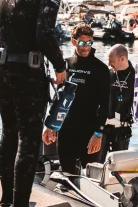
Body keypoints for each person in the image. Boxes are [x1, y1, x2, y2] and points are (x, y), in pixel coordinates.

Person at [0, 0, 70, 207]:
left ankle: (6, 202)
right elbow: (44, 35)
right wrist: (60, 67)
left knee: (8, 132)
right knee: (28, 137)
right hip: (26, 72)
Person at [42, 23, 110, 176]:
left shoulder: (100, 69)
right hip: (66, 130)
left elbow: (106, 104)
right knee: (67, 175)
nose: (86, 47)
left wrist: (98, 134)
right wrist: (50, 125)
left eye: (89, 43)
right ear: (73, 41)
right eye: (82, 43)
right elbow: (58, 98)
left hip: (89, 131)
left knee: (92, 178)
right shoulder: (65, 64)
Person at [103, 44, 138, 155]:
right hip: (103, 127)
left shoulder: (137, 79)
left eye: (112, 61)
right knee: (97, 163)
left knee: (117, 164)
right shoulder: (107, 74)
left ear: (122, 59)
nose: (109, 64)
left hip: (122, 129)